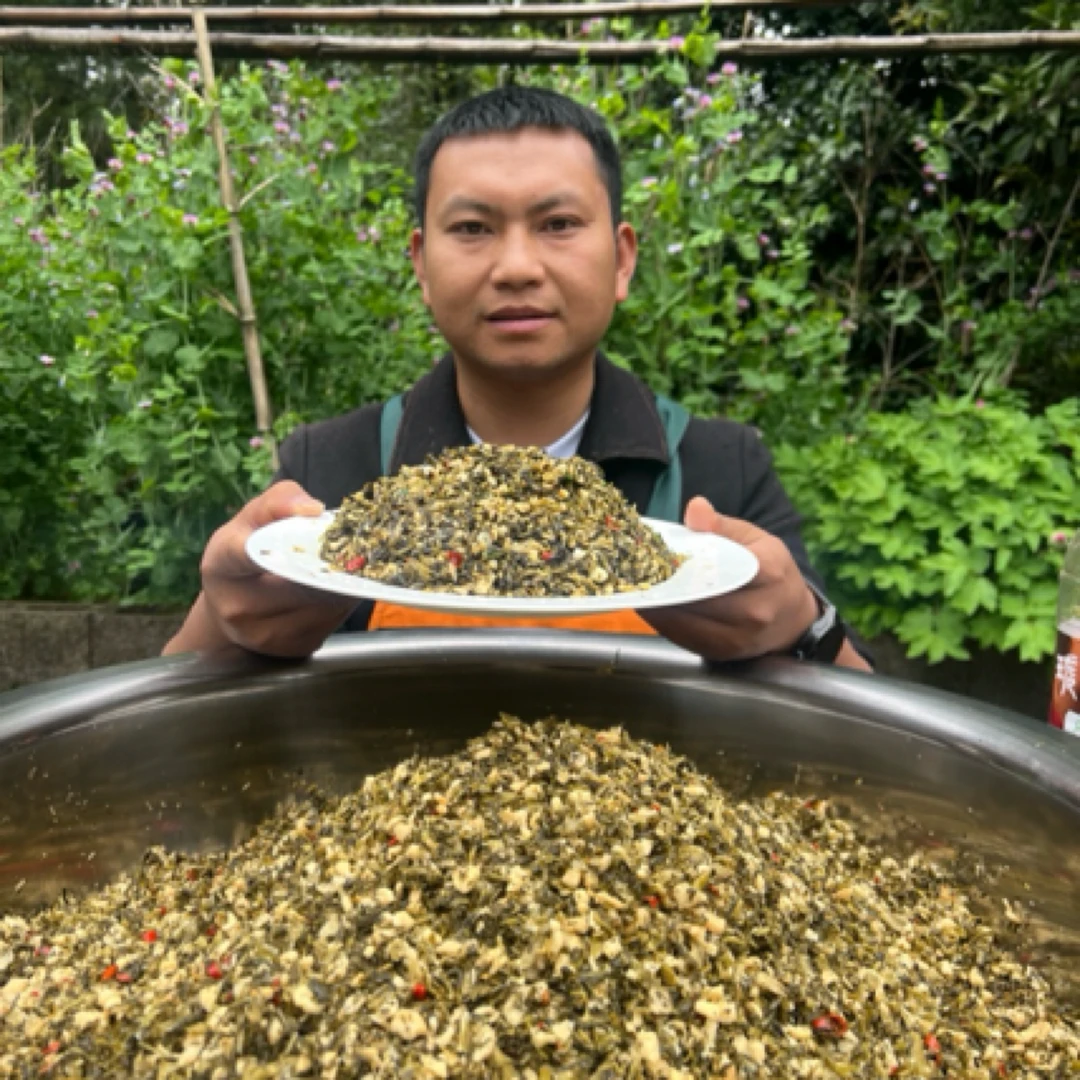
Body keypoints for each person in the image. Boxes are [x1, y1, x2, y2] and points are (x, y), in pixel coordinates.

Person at [164, 86, 871, 673]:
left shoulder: (717, 469)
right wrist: (224, 616)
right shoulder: (330, 473)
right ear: (419, 263)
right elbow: (174, 707)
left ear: (622, 259)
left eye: (558, 223)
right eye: (472, 228)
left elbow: (862, 711)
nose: (516, 267)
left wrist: (805, 624)